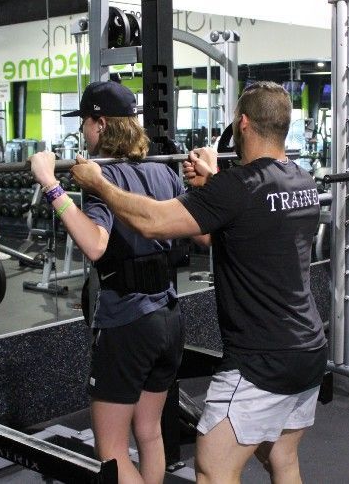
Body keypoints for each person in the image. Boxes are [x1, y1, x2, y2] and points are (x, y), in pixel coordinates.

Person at [70, 81, 327, 483]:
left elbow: (154, 222)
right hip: (309, 349)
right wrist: (209, 186)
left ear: (242, 123)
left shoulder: (237, 186)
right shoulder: (303, 181)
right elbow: (224, 231)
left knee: (212, 469)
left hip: (260, 360)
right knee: (283, 460)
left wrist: (98, 183)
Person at [29, 80, 190, 484]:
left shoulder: (101, 179)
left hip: (128, 325)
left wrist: (51, 185)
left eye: (85, 122)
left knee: (113, 450)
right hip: (169, 319)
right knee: (150, 432)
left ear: (99, 123)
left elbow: (95, 245)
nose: (83, 131)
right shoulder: (163, 171)